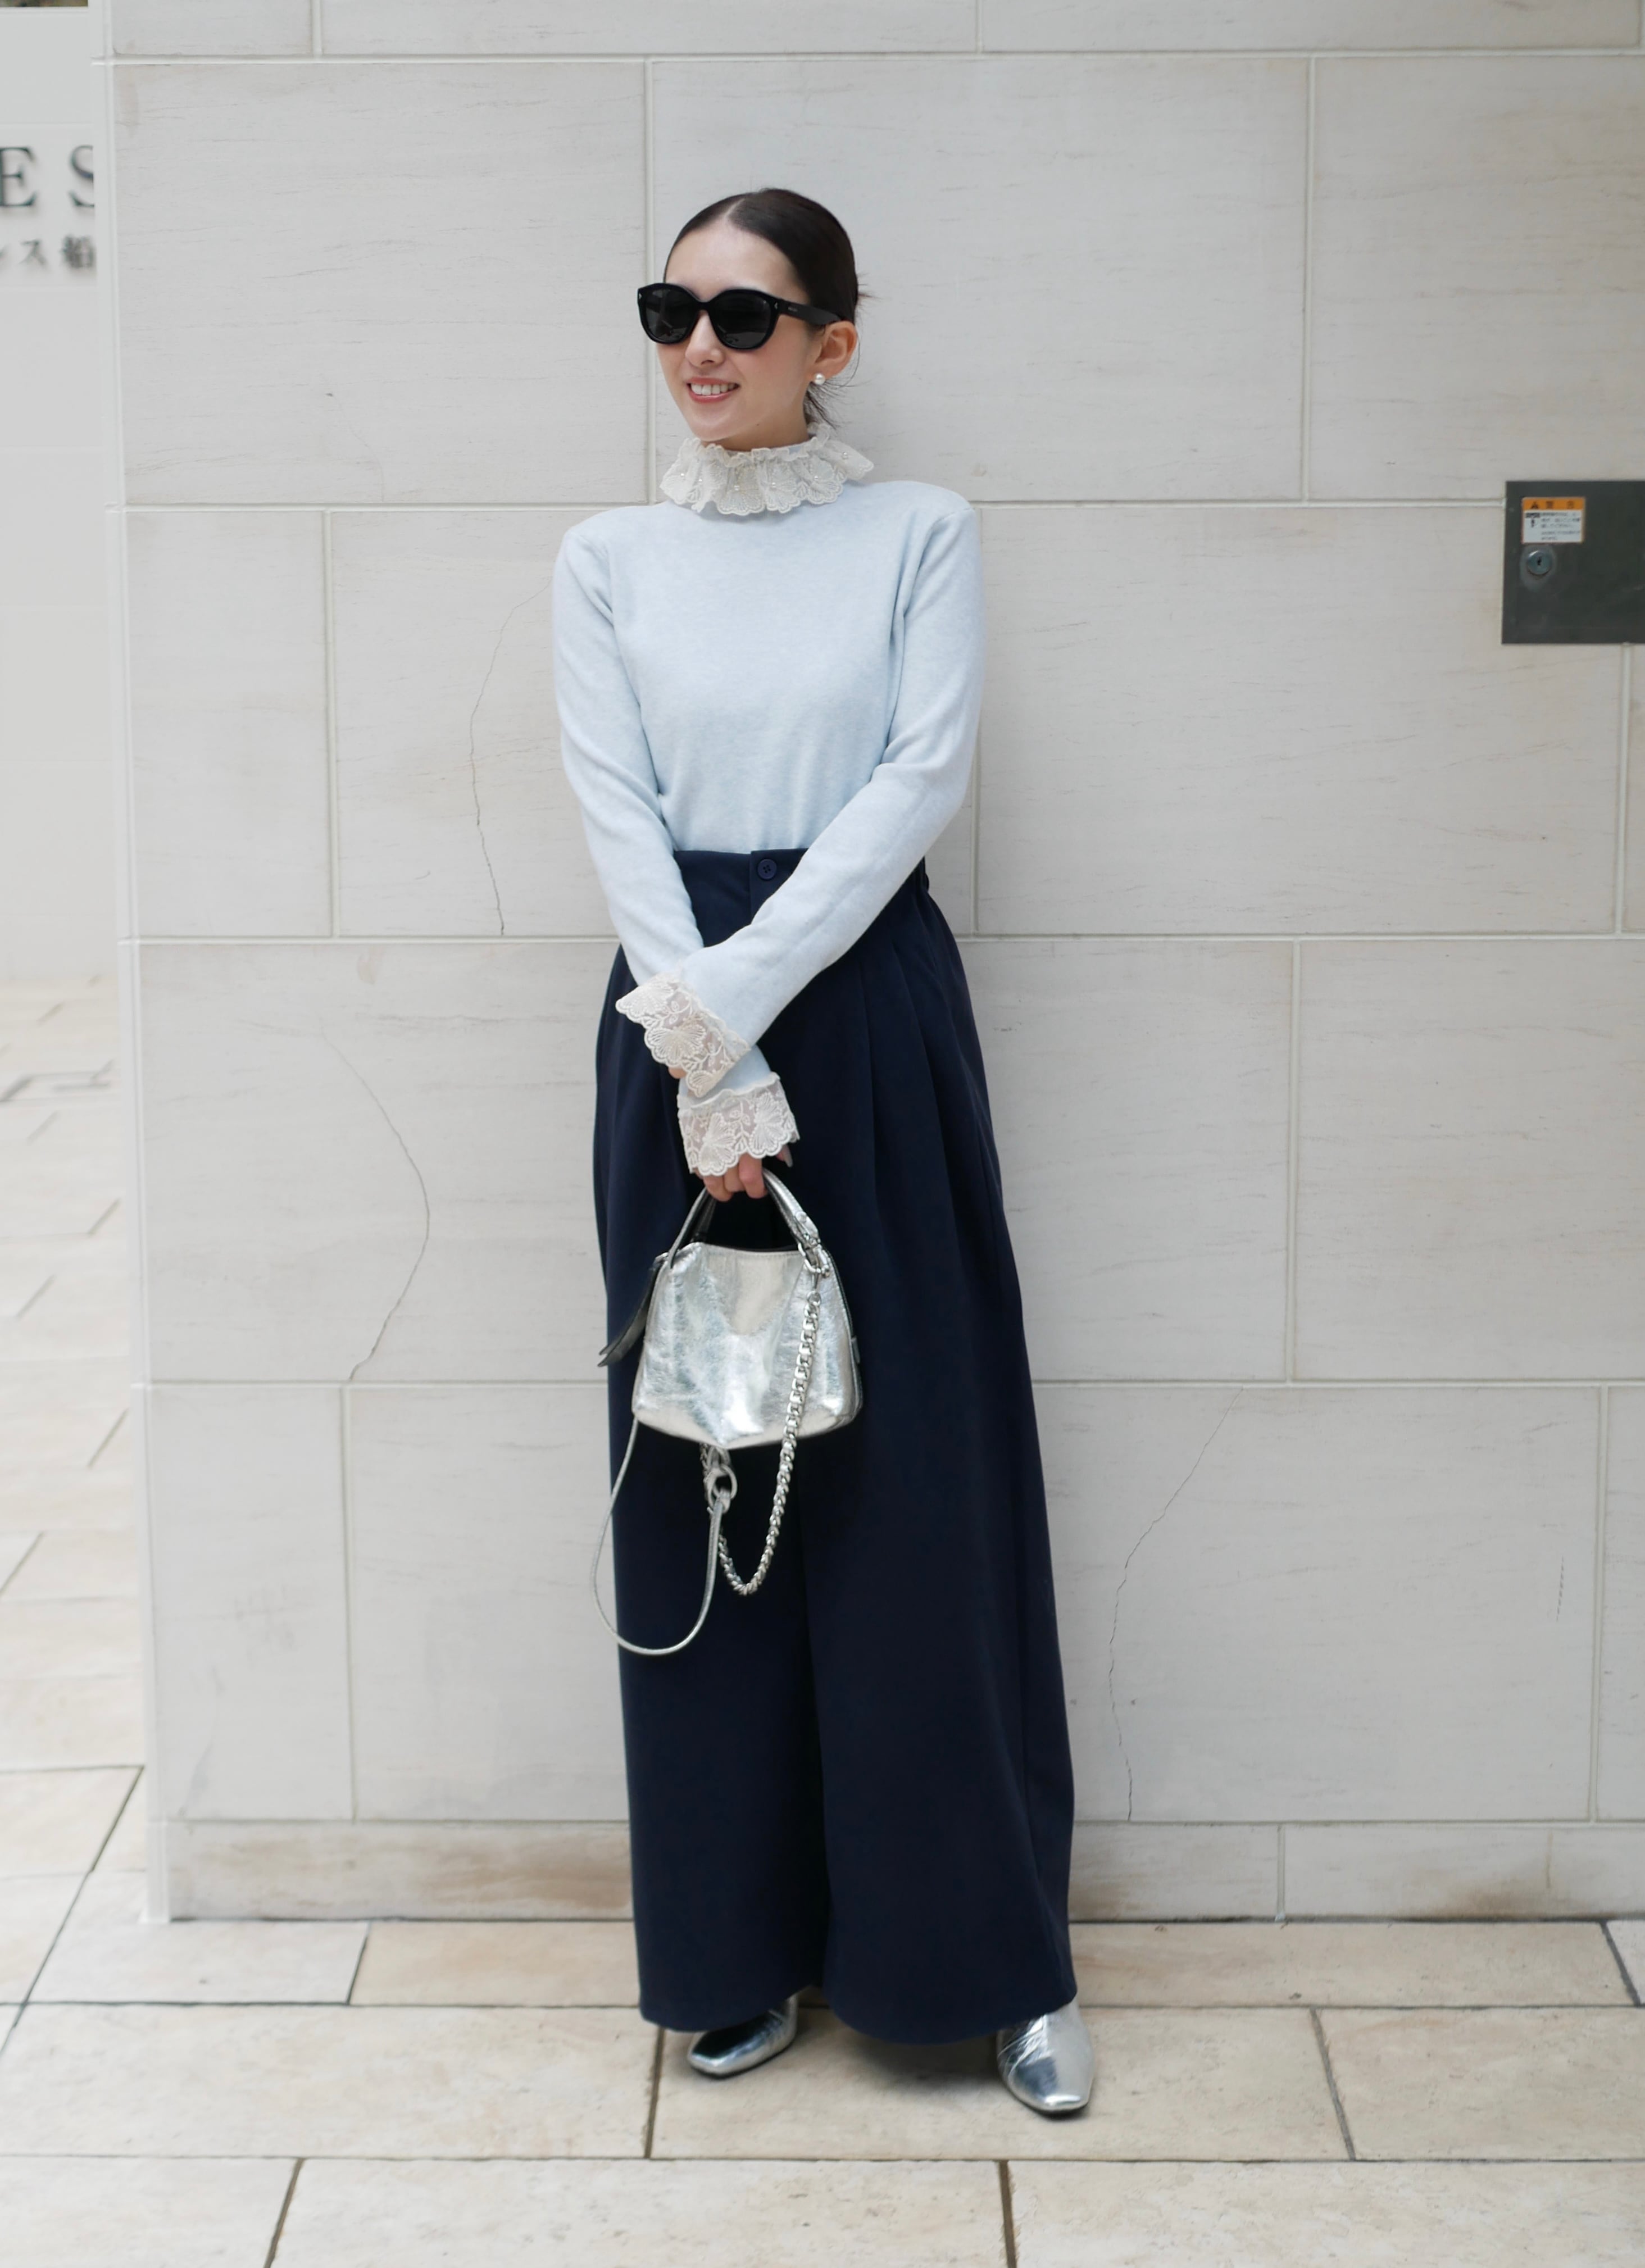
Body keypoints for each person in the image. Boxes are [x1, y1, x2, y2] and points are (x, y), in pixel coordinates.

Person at [553, 187, 1093, 2115]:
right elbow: (616, 807)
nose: (700, 348)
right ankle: (734, 1950)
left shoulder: (918, 532)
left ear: (831, 342)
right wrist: (699, 1051)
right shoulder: (607, 557)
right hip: (671, 1023)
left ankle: (990, 1962)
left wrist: (740, 1013)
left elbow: (916, 779)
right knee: (703, 1475)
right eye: (671, 312)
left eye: (744, 316)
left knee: (920, 1490)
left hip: (862, 1017)